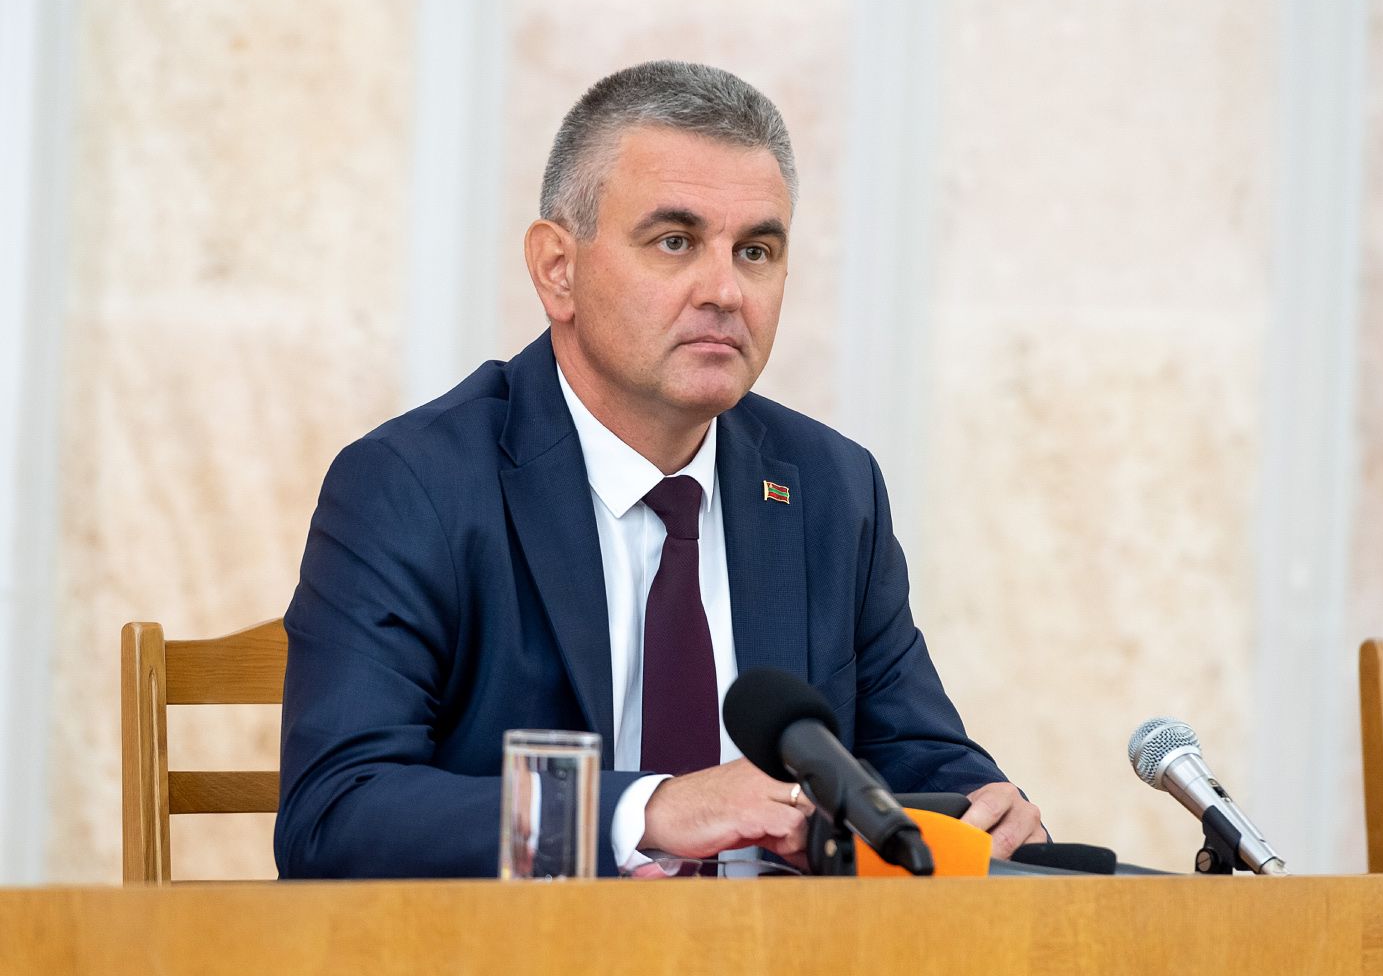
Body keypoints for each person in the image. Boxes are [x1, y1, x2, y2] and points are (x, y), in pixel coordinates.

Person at [274, 60, 1045, 879]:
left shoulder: (830, 489)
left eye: (756, 251)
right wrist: (649, 810)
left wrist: (980, 806)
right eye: (675, 242)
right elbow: (336, 813)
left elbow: (917, 760)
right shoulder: (413, 486)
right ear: (557, 269)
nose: (725, 290)